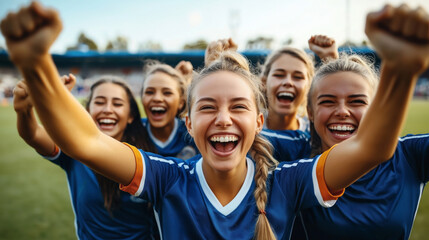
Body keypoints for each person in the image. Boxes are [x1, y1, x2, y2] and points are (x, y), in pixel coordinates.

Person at [3, 2, 429, 239]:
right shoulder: (170, 178)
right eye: (207, 107)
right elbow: (87, 144)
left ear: (261, 121)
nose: (223, 118)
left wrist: (401, 68)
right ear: (188, 123)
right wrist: (36, 63)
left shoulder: (289, 181)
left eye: (238, 107)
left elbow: (372, 147)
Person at [291, 8, 429, 239]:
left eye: (357, 101)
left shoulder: (409, 155)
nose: (343, 111)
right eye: (328, 101)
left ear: (374, 108)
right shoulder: (293, 152)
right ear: (310, 113)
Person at [13, 74, 159, 239]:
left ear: (131, 116)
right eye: (99, 102)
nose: (107, 109)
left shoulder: (148, 152)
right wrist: (23, 110)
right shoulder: (74, 148)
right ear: (86, 112)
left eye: (117, 104)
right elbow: (33, 134)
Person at [141, 60, 198, 159]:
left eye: (167, 93)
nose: (157, 98)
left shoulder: (192, 133)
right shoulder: (132, 131)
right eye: (149, 92)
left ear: (181, 102)